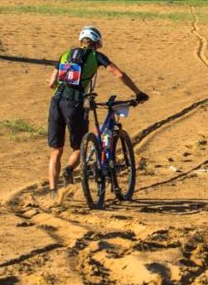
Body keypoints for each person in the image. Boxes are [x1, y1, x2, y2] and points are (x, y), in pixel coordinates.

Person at [47, 26, 148, 201]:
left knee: (56, 150)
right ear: (97, 43)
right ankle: (69, 169)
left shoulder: (66, 54)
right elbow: (119, 74)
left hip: (56, 102)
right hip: (75, 104)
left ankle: (53, 193)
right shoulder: (96, 56)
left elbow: (51, 83)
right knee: (79, 147)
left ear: (81, 40)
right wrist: (138, 93)